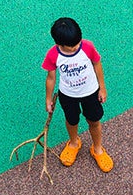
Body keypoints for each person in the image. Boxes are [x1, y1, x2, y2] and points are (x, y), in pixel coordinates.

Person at [42, 17, 112, 171]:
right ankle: (74, 142)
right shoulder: (53, 55)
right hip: (68, 95)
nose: (75, 47)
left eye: (77, 43)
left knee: (94, 120)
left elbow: (97, 64)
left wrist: (102, 87)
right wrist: (48, 98)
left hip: (91, 92)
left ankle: (97, 148)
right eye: (71, 46)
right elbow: (51, 78)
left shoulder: (87, 47)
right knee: (72, 120)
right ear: (58, 44)